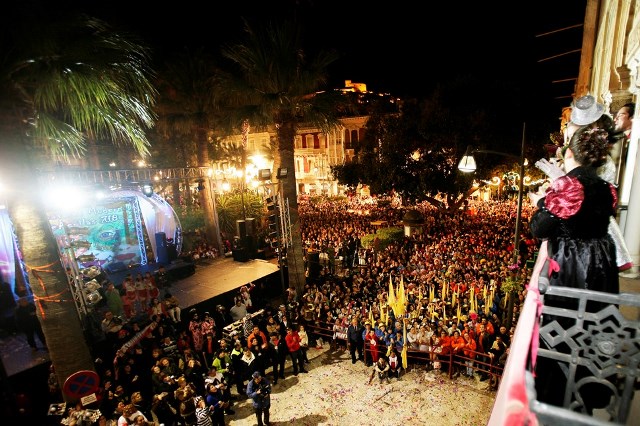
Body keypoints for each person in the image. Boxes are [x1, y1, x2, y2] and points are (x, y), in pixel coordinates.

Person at [530, 124, 620, 412]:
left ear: (569, 153)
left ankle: (557, 394)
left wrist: (541, 201)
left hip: (573, 266)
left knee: (565, 328)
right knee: (592, 326)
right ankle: (590, 389)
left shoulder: (569, 185)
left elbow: (540, 228)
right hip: (601, 266)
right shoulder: (608, 188)